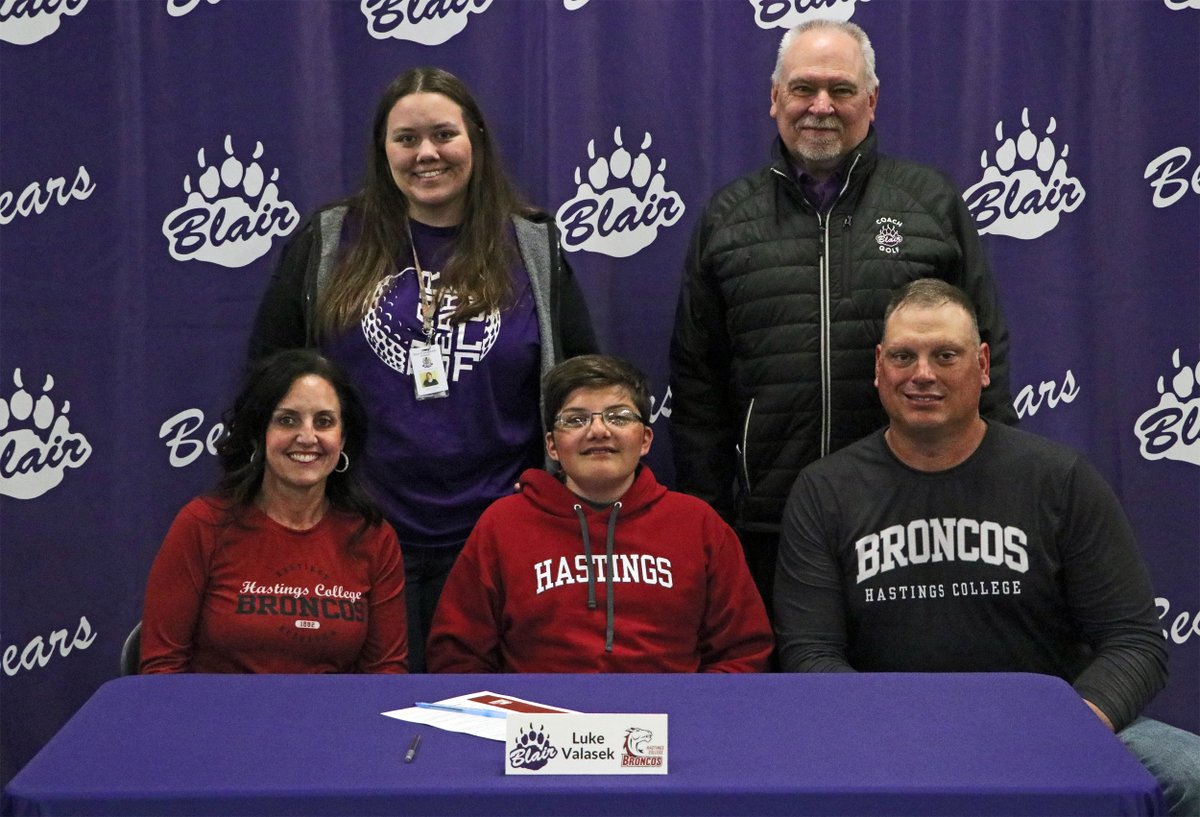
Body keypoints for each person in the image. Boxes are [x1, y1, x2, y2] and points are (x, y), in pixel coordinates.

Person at [775, 280, 1199, 816]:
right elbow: (810, 655)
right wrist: (894, 729)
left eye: (944, 355)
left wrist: (1073, 723)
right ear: (880, 367)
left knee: (1188, 773)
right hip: (887, 734)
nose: (922, 374)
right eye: (905, 356)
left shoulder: (1058, 478)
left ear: (981, 364)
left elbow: (1135, 642)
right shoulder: (825, 491)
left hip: (1048, 729)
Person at [249, 68, 597, 671]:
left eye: (443, 134)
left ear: (476, 141)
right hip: (357, 531)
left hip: (499, 534)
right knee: (375, 726)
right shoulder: (330, 239)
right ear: (383, 151)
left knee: (483, 722)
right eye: (406, 139)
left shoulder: (532, 244)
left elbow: (580, 385)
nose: (426, 153)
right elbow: (269, 377)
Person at [669, 20, 1016, 616]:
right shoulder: (727, 218)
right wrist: (711, 517)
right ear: (775, 97)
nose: (821, 107)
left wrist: (985, 496)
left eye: (842, 90)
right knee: (788, 699)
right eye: (803, 89)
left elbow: (984, 357)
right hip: (768, 527)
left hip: (916, 519)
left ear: (872, 101)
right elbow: (698, 383)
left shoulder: (930, 205)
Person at [426, 355, 773, 673]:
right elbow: (457, 656)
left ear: (646, 439)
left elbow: (742, 651)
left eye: (618, 416)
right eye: (576, 419)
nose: (598, 431)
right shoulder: (502, 525)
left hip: (669, 728)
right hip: (539, 732)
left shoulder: (698, 524)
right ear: (551, 446)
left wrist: (693, 718)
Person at [141, 350, 407, 673]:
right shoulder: (202, 525)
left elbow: (386, 676)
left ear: (344, 438)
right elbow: (161, 669)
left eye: (324, 421)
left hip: (330, 722)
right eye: (287, 420)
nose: (307, 437)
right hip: (219, 720)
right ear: (258, 433)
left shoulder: (373, 537)